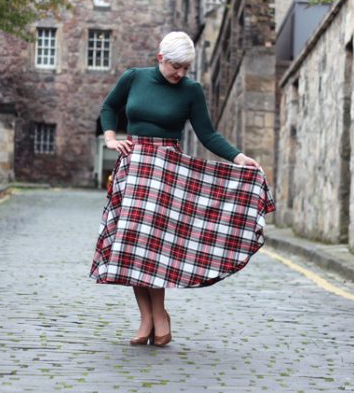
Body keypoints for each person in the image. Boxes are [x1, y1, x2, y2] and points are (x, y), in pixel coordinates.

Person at [89, 31, 275, 347]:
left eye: (186, 68)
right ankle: (146, 320)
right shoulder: (134, 78)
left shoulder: (191, 91)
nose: (181, 74)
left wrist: (239, 157)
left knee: (152, 247)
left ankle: (159, 315)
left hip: (166, 174)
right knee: (134, 247)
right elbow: (109, 108)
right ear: (160, 58)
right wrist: (110, 138)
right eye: (176, 66)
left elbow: (207, 134)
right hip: (133, 169)